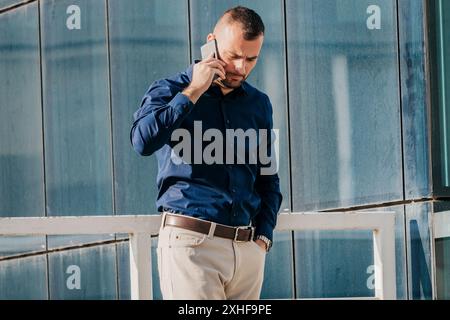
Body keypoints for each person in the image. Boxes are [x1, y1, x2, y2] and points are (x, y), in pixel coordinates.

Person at [130, 6, 282, 300]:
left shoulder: (259, 104)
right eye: (233, 55)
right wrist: (192, 93)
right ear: (211, 42)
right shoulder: (169, 90)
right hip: (192, 244)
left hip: (247, 251)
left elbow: (268, 178)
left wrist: (263, 236)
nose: (241, 67)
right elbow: (142, 142)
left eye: (251, 59)